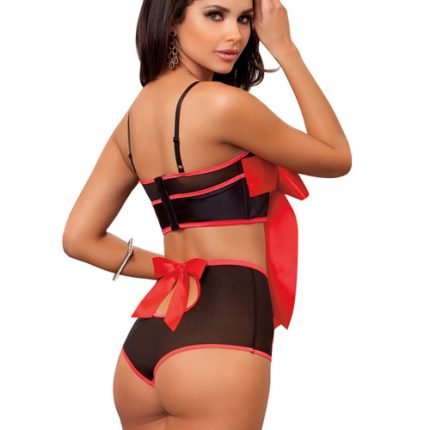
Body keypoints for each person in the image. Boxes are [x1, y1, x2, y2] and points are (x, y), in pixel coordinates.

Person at [62, 0, 352, 428]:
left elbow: (79, 238)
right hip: (220, 336)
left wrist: (171, 270)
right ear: (172, 20)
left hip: (144, 349)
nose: (235, 35)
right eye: (215, 15)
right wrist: (285, 48)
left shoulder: (132, 121)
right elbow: (336, 156)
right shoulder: (223, 105)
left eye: (245, 18)